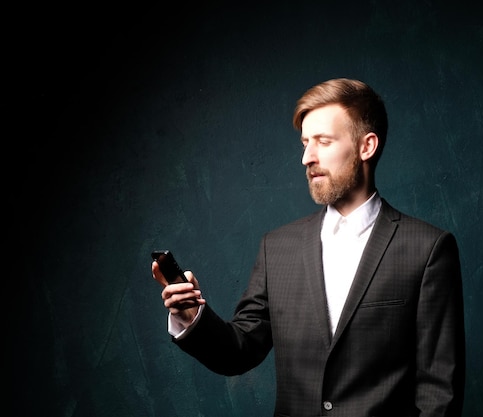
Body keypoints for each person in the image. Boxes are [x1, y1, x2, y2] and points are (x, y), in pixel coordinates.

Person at [152, 78, 465, 416]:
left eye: (323, 142)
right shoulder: (278, 248)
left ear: (367, 146)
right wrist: (192, 317)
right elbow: (239, 351)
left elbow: (439, 391)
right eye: (304, 143)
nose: (307, 157)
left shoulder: (428, 249)